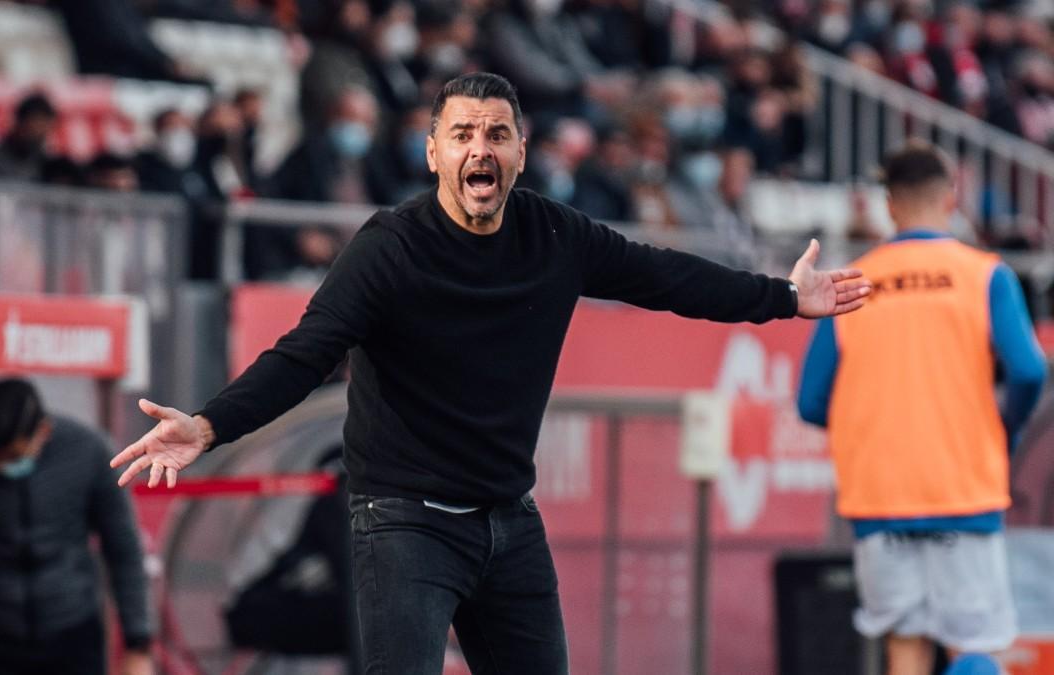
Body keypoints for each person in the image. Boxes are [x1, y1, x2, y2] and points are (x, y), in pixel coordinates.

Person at [112, 72, 870, 674]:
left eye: (498, 135)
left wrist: (783, 298)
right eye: (464, 134)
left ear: (520, 152)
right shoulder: (390, 248)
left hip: (508, 518)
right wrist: (209, 425)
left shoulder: (554, 233)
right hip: (402, 519)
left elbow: (666, 277)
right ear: (435, 151)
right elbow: (303, 354)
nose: (482, 149)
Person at [797, 141, 1047, 675]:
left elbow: (811, 402)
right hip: (963, 487)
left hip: (880, 494)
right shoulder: (983, 273)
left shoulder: (851, 282)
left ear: (889, 204)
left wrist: (868, 427)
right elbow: (1028, 370)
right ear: (951, 196)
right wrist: (1004, 430)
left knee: (905, 648)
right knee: (974, 648)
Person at [0, 377, 153, 675]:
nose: (5, 466)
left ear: (43, 431)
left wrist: (138, 643)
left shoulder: (88, 451)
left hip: (73, 633)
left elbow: (124, 549)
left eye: (15, 456)